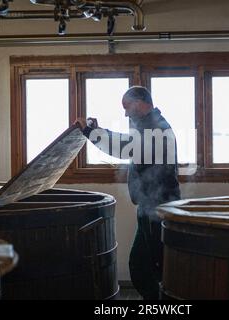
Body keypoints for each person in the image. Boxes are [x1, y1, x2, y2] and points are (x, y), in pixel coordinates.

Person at [75, 86, 181, 300]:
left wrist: (90, 132)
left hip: (157, 208)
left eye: (127, 107)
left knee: (149, 266)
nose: (125, 113)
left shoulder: (155, 127)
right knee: (143, 265)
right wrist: (98, 130)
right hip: (151, 207)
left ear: (140, 103)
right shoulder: (150, 125)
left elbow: (123, 147)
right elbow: (127, 143)